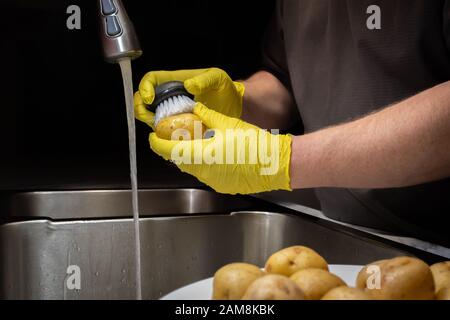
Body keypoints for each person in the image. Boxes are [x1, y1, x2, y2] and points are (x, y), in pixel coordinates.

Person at [134, 0, 450, 245]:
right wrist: (240, 101)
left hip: (434, 243)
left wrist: (284, 159)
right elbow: (287, 79)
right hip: (345, 230)